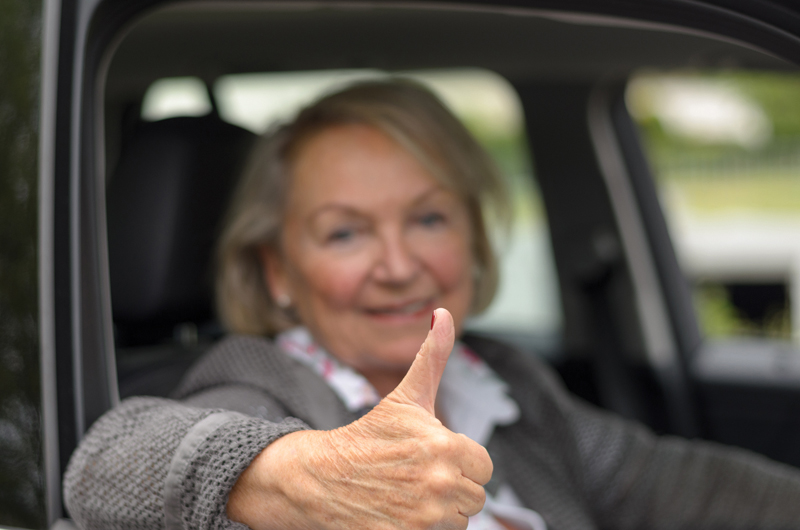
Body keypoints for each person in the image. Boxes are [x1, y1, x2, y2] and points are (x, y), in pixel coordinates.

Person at [64, 80, 800, 530]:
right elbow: (107, 464)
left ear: (473, 237)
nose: (398, 264)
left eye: (428, 218)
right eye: (345, 232)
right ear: (277, 271)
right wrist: (297, 477)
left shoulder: (501, 382)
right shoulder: (257, 387)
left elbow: (667, 482)